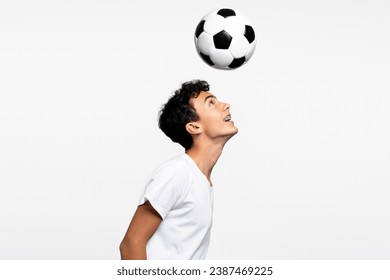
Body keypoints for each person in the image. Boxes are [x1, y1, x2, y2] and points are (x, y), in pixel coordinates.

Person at [119, 79, 238, 260]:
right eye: (211, 103)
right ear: (194, 127)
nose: (226, 105)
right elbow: (131, 244)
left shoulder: (201, 181)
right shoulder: (177, 173)